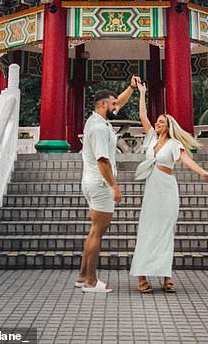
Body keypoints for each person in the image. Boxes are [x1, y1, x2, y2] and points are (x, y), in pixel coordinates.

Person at [130, 81, 208, 293]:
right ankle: (142, 275)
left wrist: (203, 172)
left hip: (167, 190)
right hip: (152, 190)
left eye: (161, 122)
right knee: (147, 231)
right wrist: (142, 92)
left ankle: (166, 275)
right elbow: (143, 116)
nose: (157, 124)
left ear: (168, 126)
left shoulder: (173, 144)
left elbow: (186, 159)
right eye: (157, 121)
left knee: (165, 233)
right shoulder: (151, 139)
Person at [77, 76, 140, 293]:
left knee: (93, 231)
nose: (116, 106)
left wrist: (131, 87)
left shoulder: (94, 121)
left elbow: (119, 102)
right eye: (112, 104)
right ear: (103, 104)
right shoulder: (100, 129)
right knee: (97, 232)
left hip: (90, 181)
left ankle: (82, 275)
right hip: (101, 184)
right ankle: (91, 282)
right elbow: (102, 160)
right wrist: (114, 186)